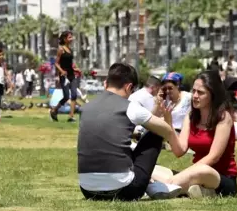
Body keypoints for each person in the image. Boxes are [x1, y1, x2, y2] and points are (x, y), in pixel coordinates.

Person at [77, 63, 184, 201]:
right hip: (124, 190)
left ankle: (150, 183)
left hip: (88, 190)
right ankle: (151, 185)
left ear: (105, 84)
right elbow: (165, 130)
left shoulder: (86, 108)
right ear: (128, 87)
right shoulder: (130, 107)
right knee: (154, 134)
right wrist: (168, 124)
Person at [154, 70, 237, 198]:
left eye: (201, 92)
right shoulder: (191, 117)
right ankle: (198, 190)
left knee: (201, 170)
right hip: (194, 172)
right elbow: (179, 150)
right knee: (153, 169)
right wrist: (168, 122)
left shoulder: (223, 117)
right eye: (194, 91)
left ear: (212, 95)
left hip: (219, 177)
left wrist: (187, 173)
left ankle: (164, 187)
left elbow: (213, 157)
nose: (195, 96)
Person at [50, 31, 81, 123]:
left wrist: (76, 69)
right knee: (66, 96)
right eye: (69, 37)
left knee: (74, 95)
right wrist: (62, 71)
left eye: (71, 37)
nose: (71, 39)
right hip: (64, 76)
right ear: (64, 39)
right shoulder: (61, 49)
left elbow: (71, 64)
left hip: (72, 75)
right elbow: (56, 63)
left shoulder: (70, 50)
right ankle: (54, 110)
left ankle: (71, 116)